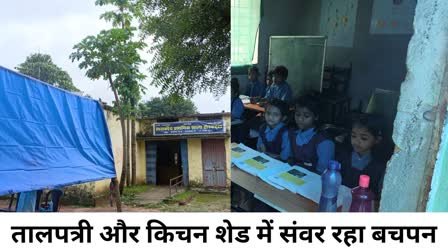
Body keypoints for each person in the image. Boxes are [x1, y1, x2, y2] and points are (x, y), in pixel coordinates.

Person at [337, 115, 386, 198]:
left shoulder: (379, 166)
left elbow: (376, 194)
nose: (357, 141)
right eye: (353, 136)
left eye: (363, 138)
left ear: (377, 140)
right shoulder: (344, 155)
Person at [289, 95, 335, 174]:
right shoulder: (293, 133)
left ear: (316, 117)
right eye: (297, 114)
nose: (300, 119)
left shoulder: (324, 142)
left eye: (306, 116)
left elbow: (322, 172)